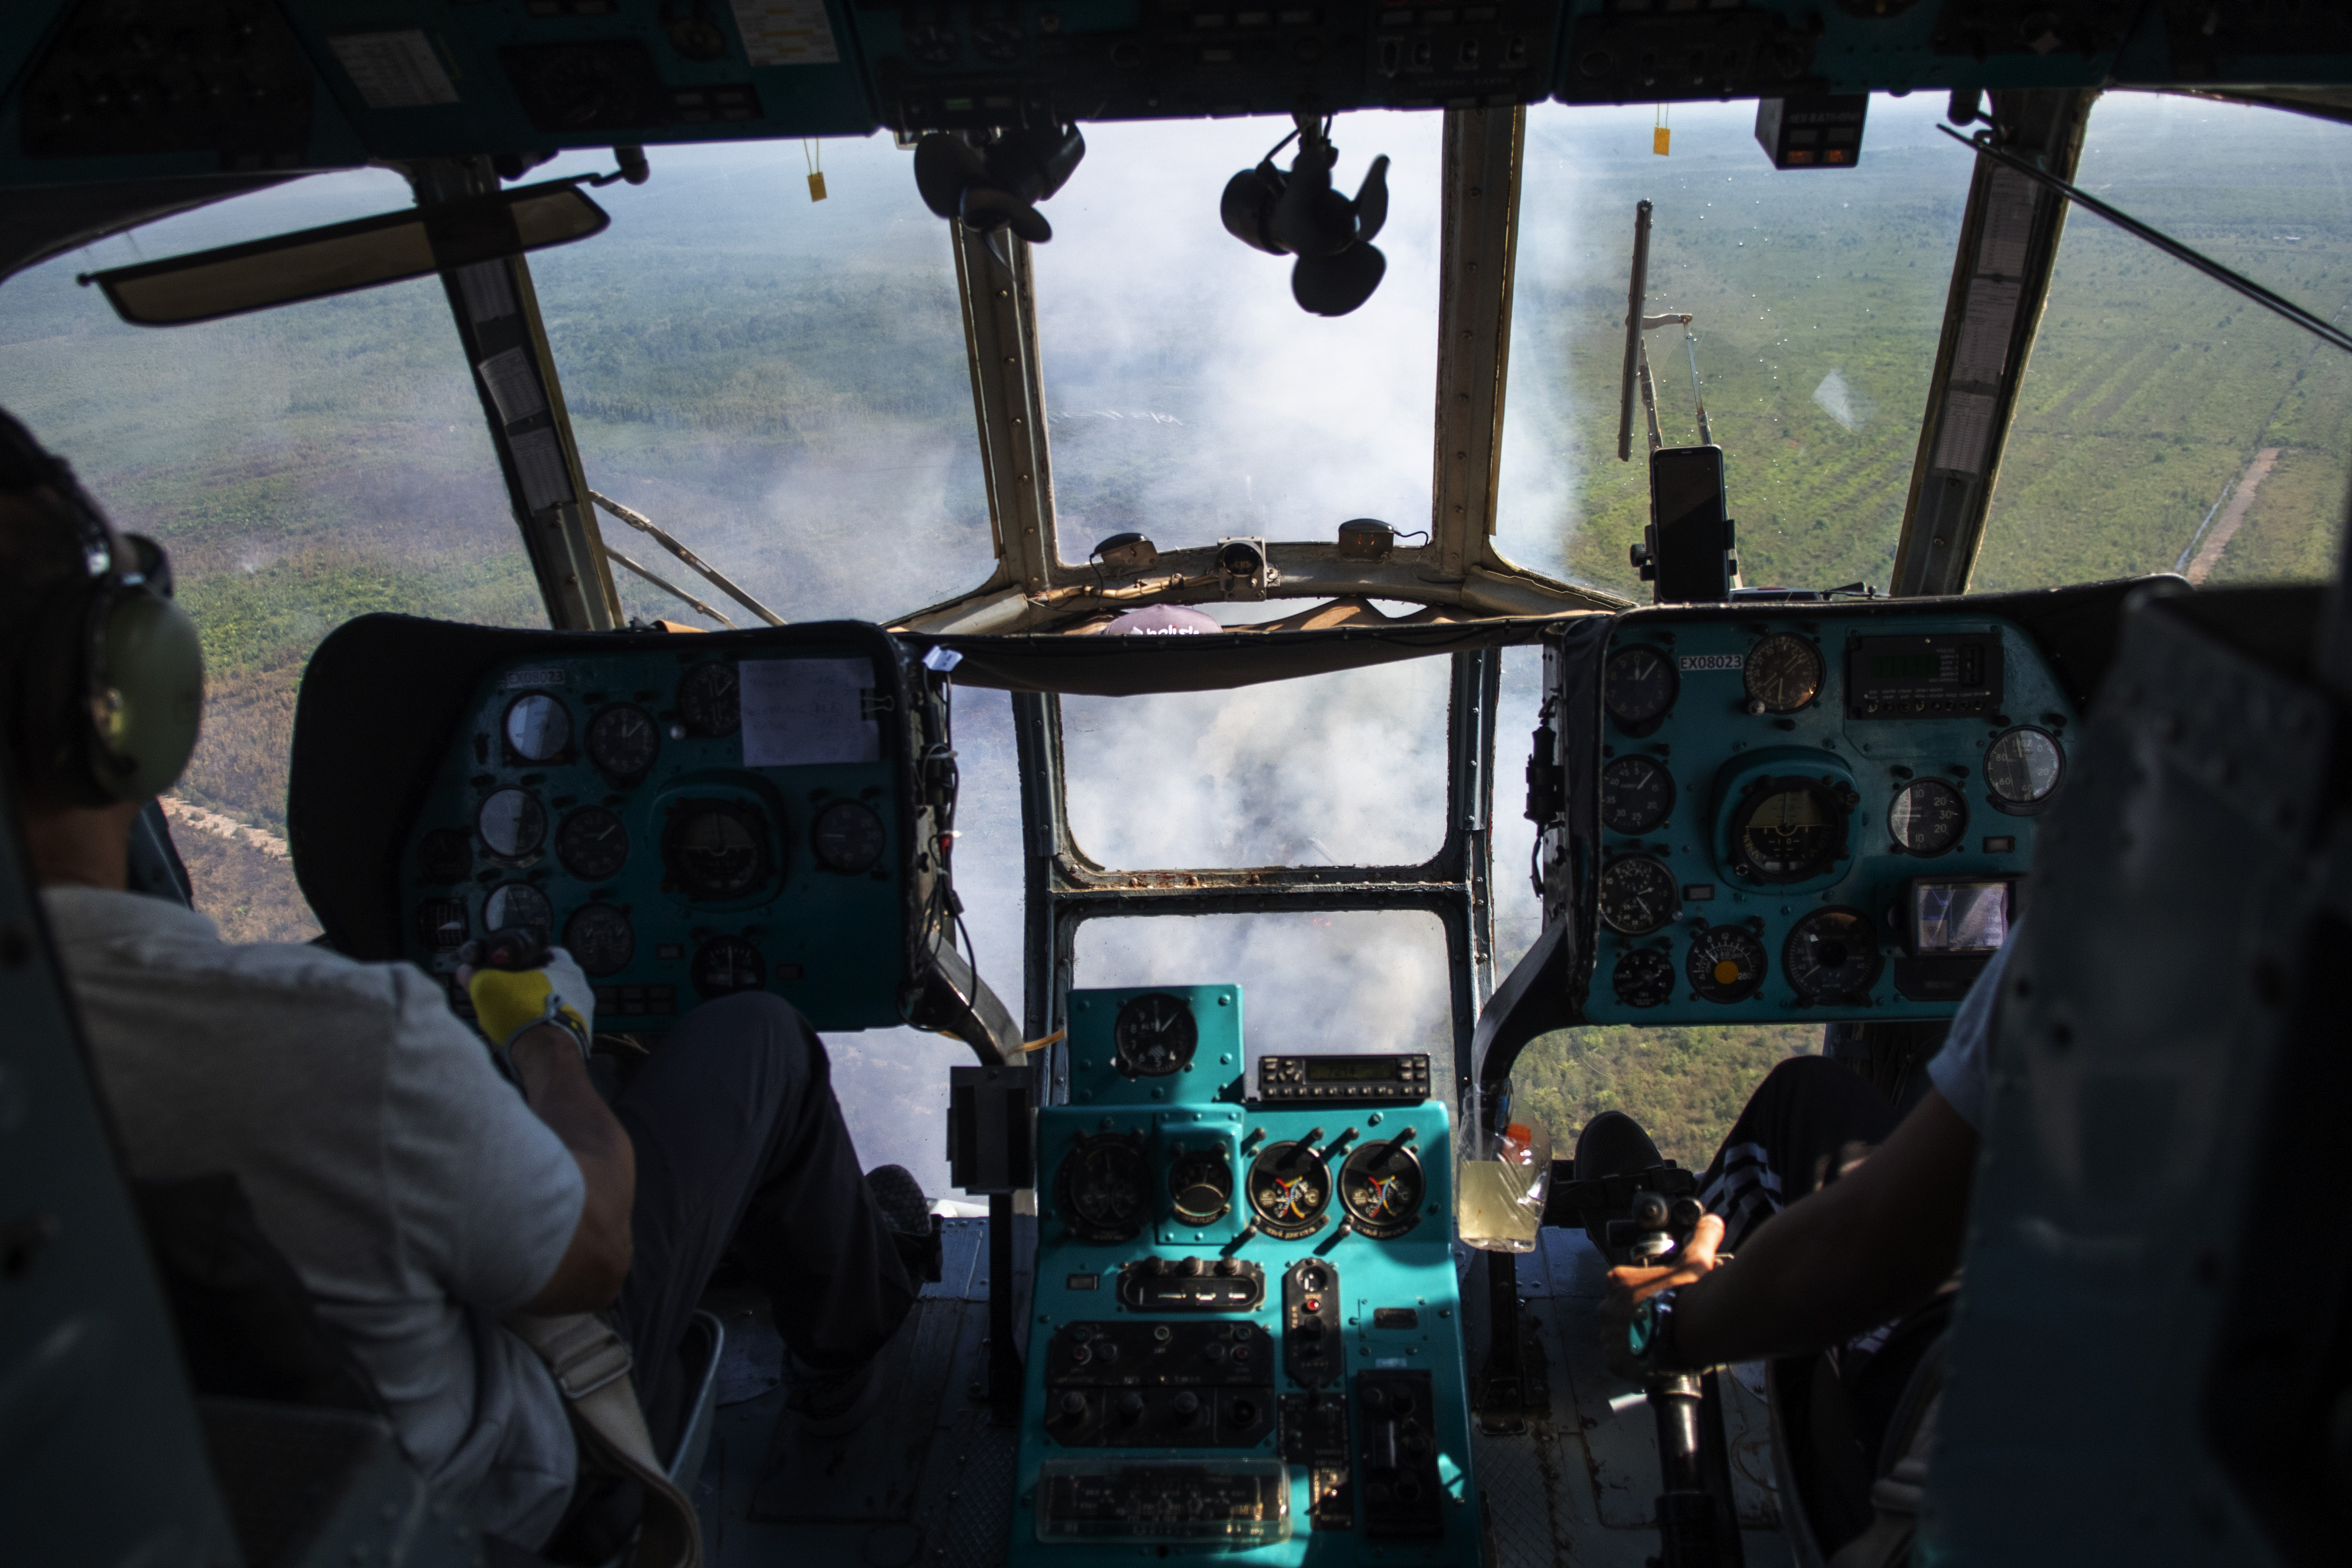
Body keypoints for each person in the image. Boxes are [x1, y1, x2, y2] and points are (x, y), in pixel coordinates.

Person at [0, 410, 931, 1555]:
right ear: (125, 688)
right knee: (758, 1035)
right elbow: (597, 1250)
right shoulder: (329, 1042)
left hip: (239, 1499)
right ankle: (857, 1371)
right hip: (508, 1492)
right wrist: (549, 1043)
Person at [1594, 940, 2007, 1535]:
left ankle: (1666, 1278)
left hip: (1978, 1422)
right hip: (2131, 1381)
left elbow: (1869, 1246)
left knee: (1800, 1096)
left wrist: (1671, 1325)